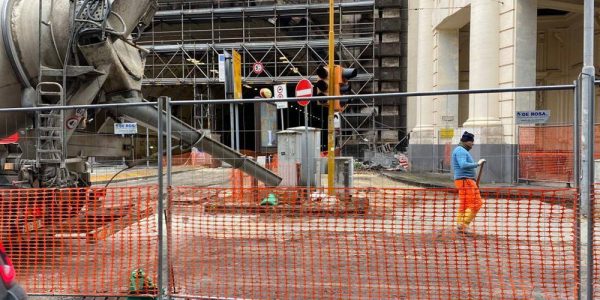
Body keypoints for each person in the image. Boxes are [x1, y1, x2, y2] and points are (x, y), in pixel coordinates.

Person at [451, 131, 486, 233]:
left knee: (465, 204)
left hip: (463, 180)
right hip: (465, 180)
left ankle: (460, 224)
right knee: (477, 203)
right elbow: (462, 164)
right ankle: (463, 224)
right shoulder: (461, 150)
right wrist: (477, 164)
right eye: (472, 141)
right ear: (467, 141)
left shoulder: (460, 150)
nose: (473, 144)